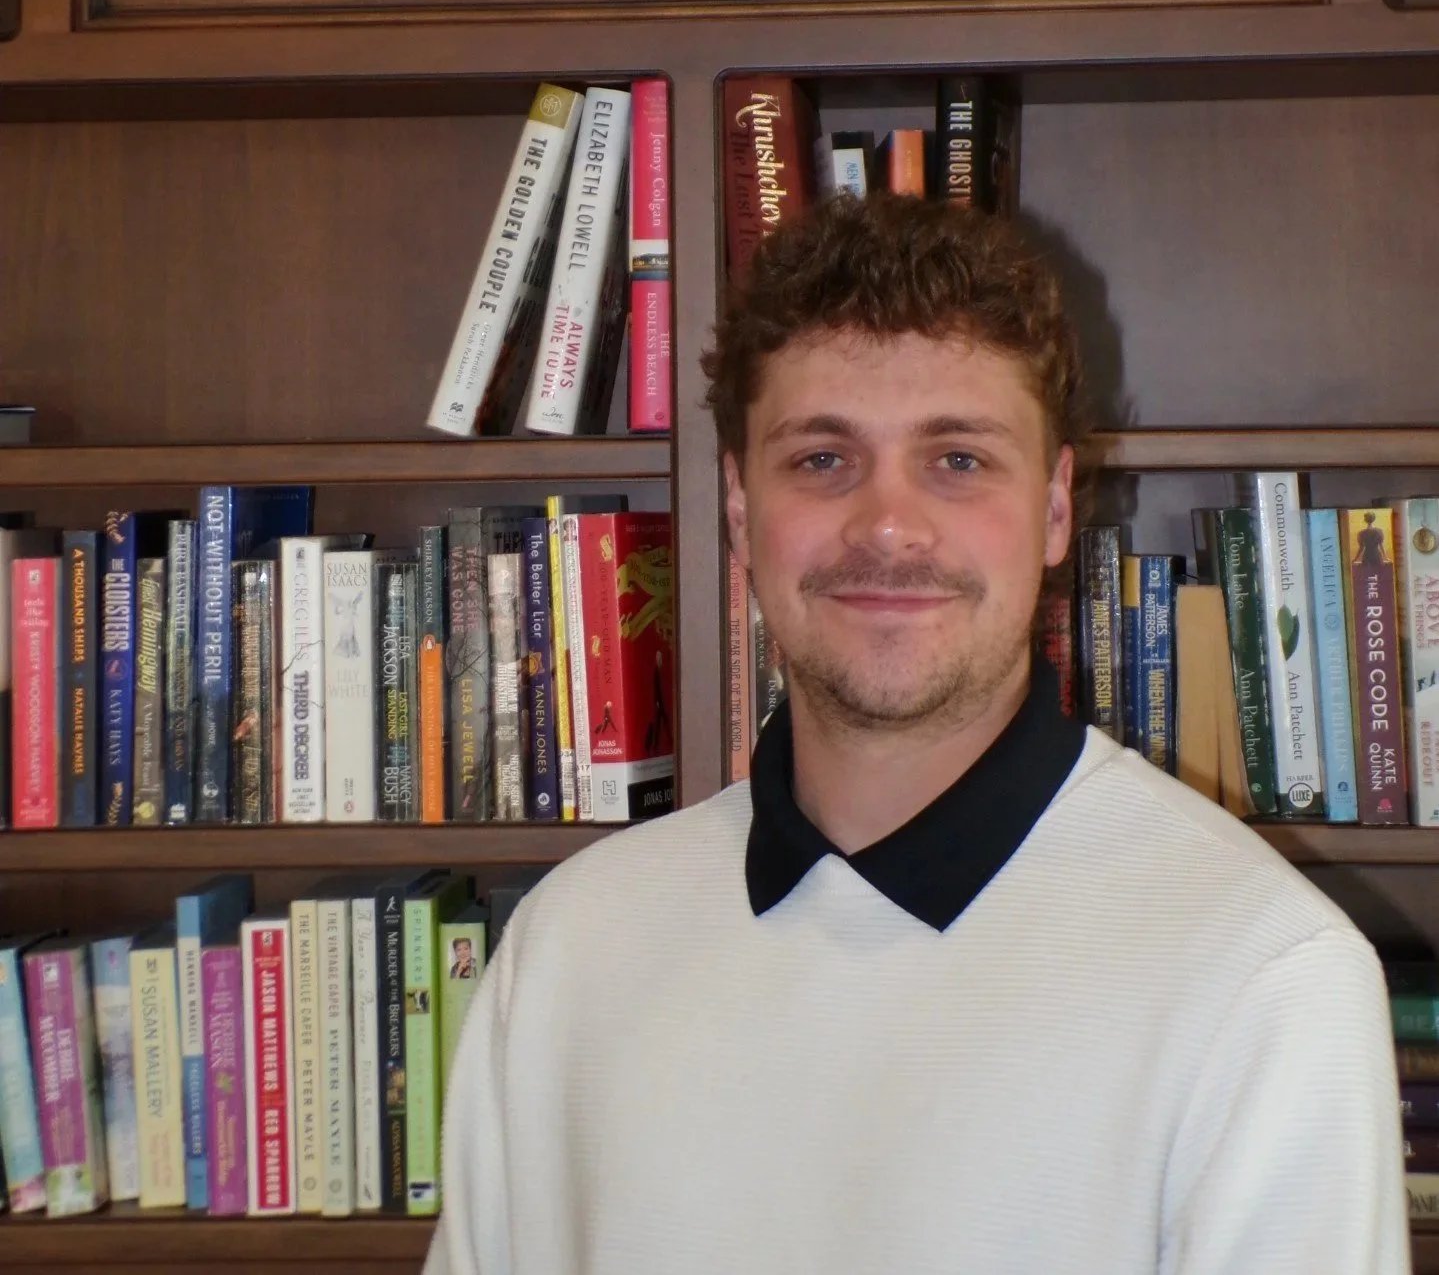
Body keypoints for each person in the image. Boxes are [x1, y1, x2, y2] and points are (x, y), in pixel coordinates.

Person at [427, 194, 1407, 1274]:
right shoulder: (569, 948)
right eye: (820, 459)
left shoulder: (1263, 977)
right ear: (739, 509)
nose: (886, 524)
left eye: (956, 459)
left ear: (1051, 507)